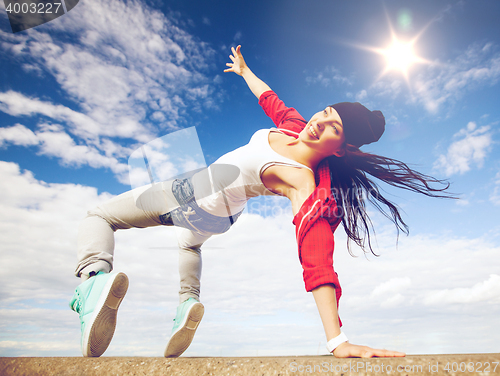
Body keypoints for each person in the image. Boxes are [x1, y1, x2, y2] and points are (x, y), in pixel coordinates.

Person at [70, 45, 452, 358]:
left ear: (341, 149)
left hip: (192, 194)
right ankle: (188, 303)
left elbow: (316, 257)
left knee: (99, 216)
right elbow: (271, 100)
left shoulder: (303, 181)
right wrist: (244, 69)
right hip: (223, 215)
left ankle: (92, 284)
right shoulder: (293, 125)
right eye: (327, 112)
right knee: (188, 243)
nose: (319, 122)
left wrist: (337, 340)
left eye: (333, 127)